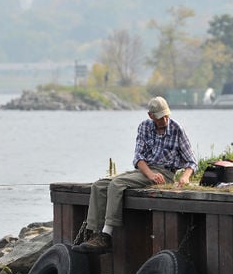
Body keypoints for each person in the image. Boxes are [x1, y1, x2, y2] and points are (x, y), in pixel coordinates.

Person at [72, 96, 198, 254]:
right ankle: (93, 234)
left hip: (164, 173)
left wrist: (185, 176)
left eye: (166, 115)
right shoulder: (144, 127)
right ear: (151, 116)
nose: (165, 120)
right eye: (160, 117)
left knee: (116, 184)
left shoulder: (176, 129)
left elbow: (192, 161)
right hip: (145, 170)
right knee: (99, 186)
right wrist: (150, 174)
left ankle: (106, 236)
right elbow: (138, 158)